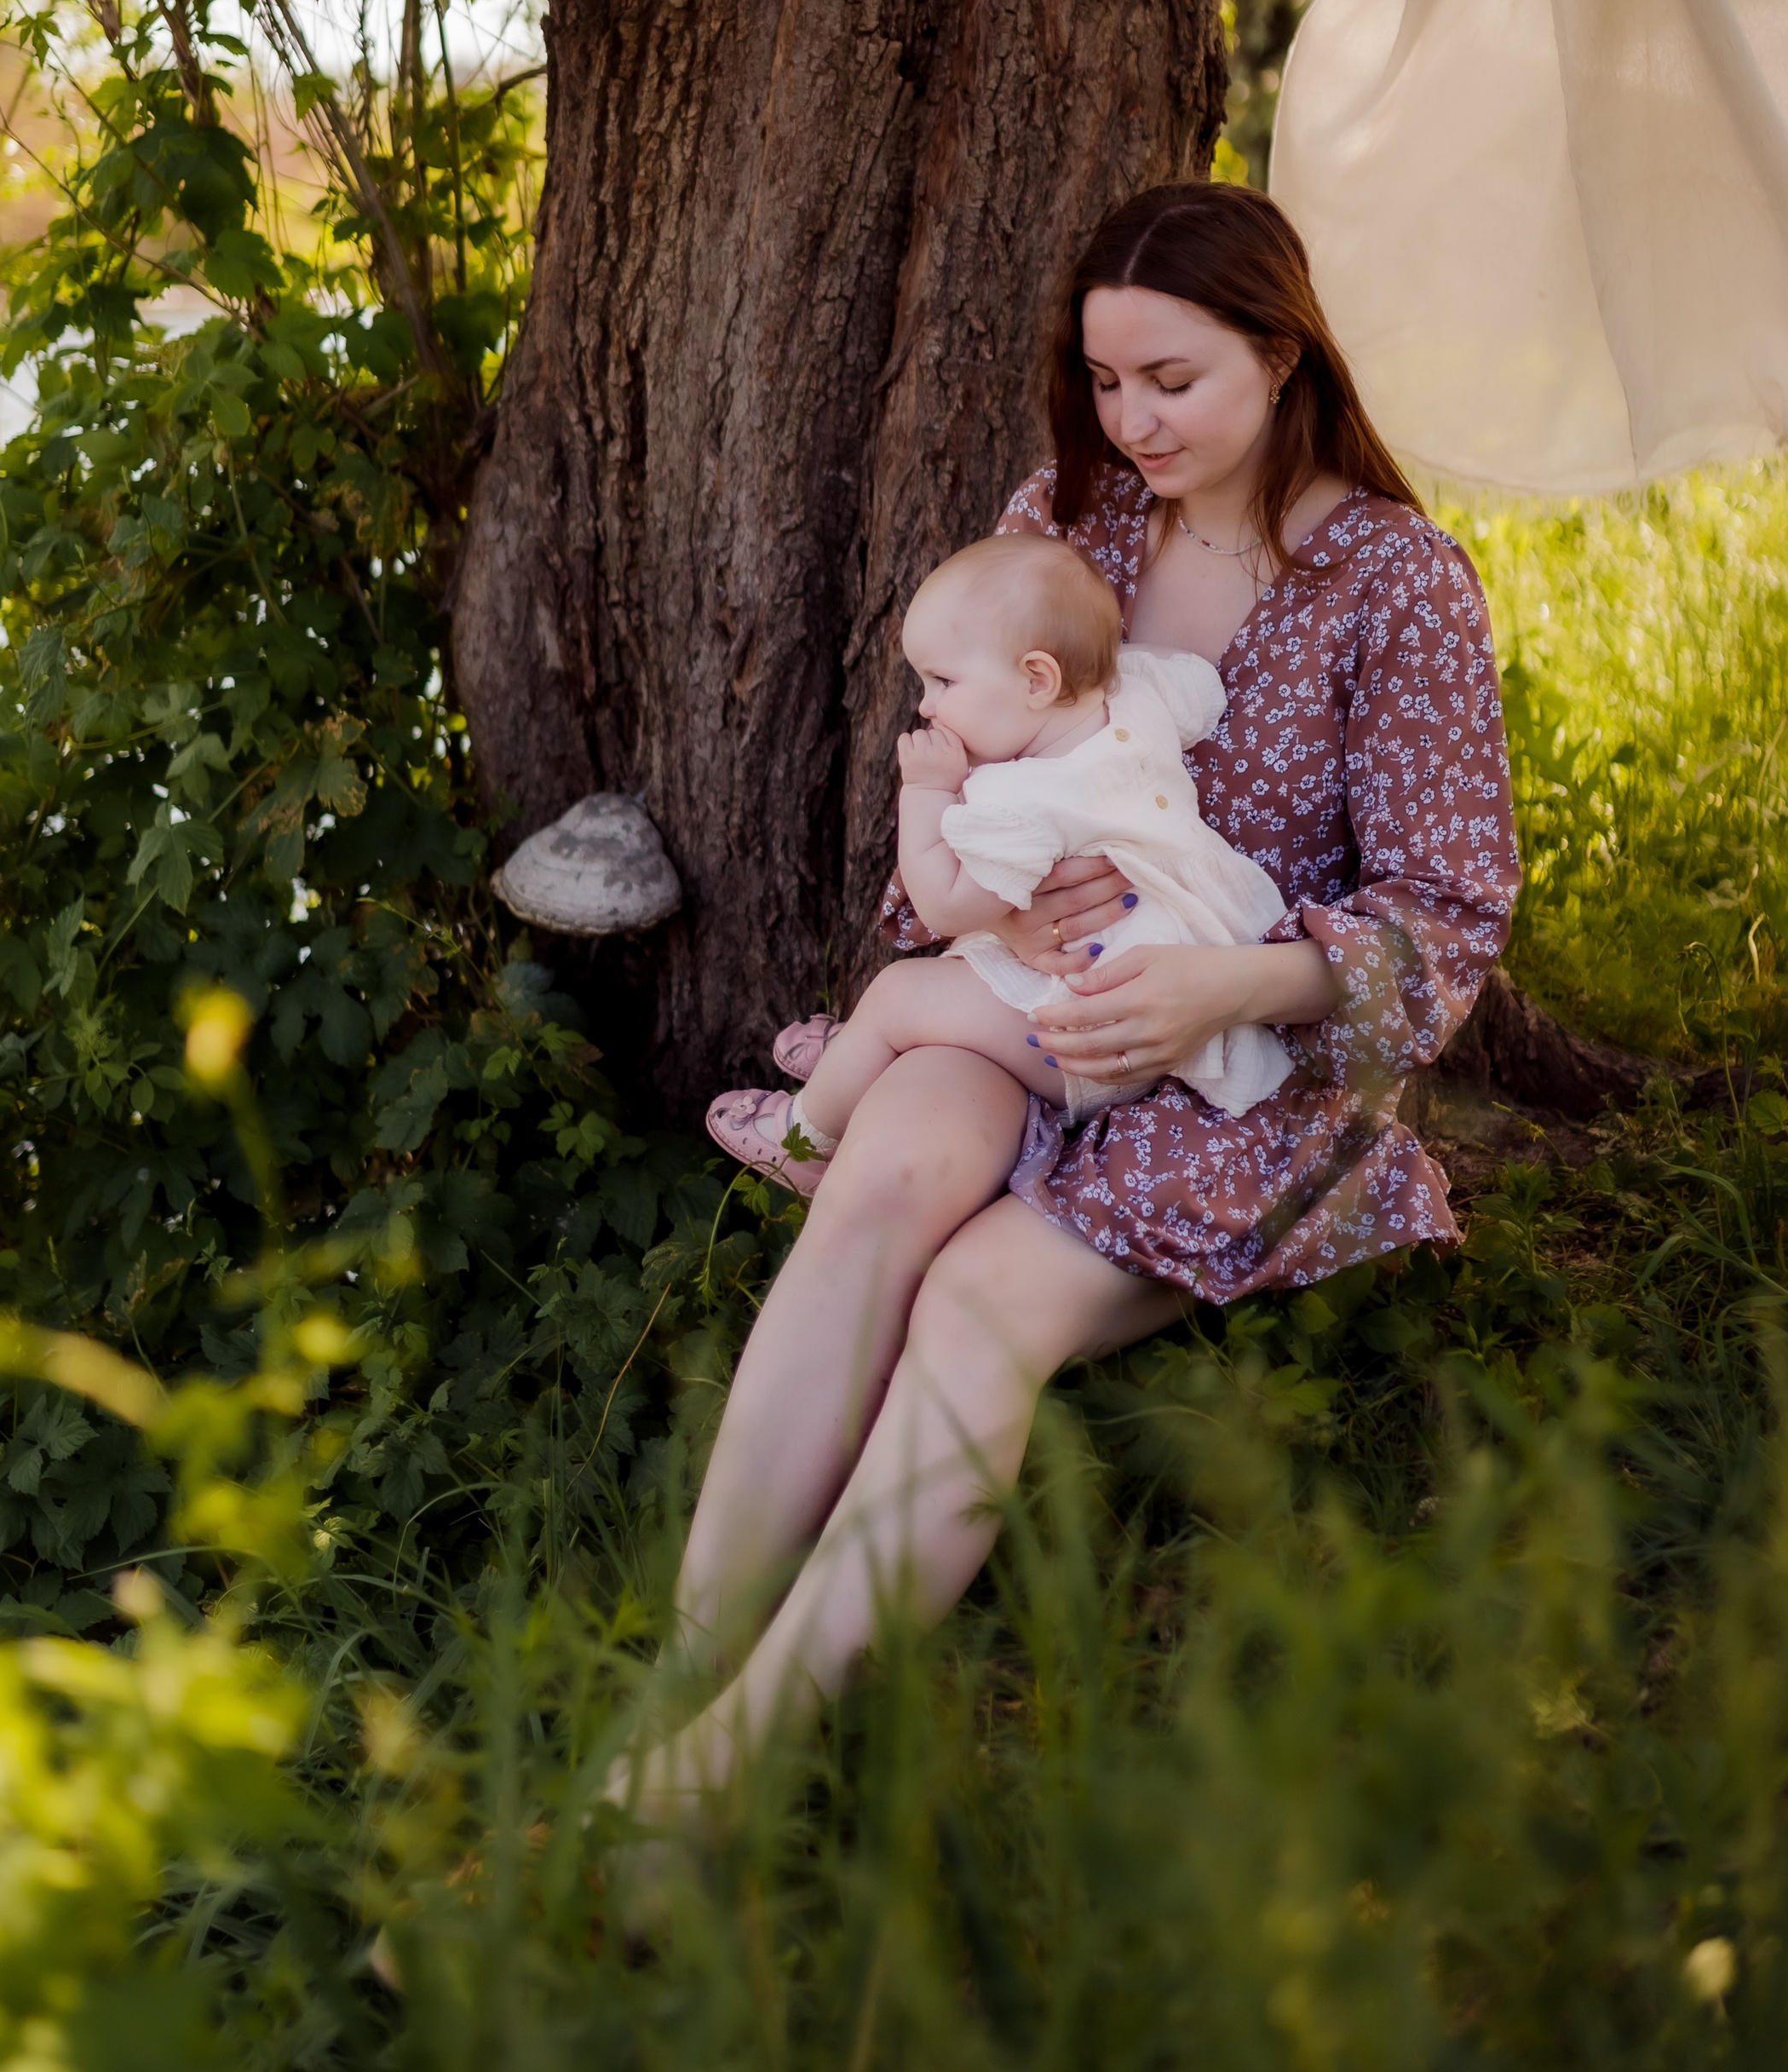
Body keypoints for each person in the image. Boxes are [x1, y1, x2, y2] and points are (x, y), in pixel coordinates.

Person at [615, 182, 1519, 1821]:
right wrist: (1009, 888)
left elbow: (1450, 916)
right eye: (1108, 382)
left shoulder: (1394, 584)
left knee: (980, 1305)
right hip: (1024, 994)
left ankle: (712, 1780)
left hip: (1247, 1059)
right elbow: (955, 792)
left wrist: (1215, 990)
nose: (1133, 421)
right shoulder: (1071, 527)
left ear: (1281, 349)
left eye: (1171, 379)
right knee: (884, 1181)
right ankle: (679, 1676)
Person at [703, 532, 1291, 1189]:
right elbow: (1202, 693)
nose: (926, 706)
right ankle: (856, 1057)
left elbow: (944, 904)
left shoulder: (1021, 799)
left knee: (899, 996)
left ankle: (802, 1144)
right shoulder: (1138, 699)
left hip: (1086, 1038)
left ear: (1038, 679)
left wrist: (924, 794)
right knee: (931, 1000)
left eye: (943, 681)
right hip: (1174, 985)